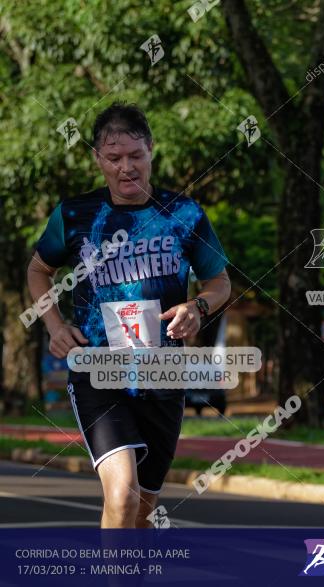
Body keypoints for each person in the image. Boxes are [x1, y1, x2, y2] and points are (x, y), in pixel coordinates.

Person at [27, 102, 231, 528]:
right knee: (122, 494)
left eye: (135, 156)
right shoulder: (74, 215)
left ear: (151, 150)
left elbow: (220, 283)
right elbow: (38, 270)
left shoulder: (185, 213)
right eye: (114, 158)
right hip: (99, 369)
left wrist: (198, 306)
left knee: (143, 508)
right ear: (97, 159)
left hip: (163, 372)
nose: (126, 168)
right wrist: (56, 325)